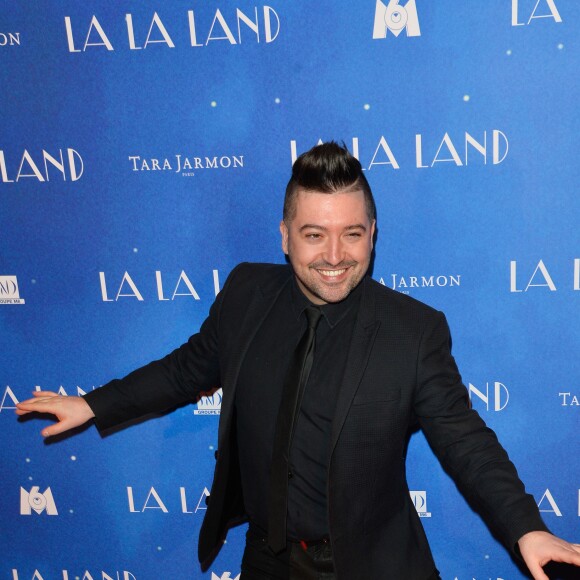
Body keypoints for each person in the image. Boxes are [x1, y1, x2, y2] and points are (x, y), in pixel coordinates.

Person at [17, 143, 580, 580]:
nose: (335, 257)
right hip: (267, 557)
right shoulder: (245, 295)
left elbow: (466, 440)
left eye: (351, 234)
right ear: (285, 237)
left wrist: (524, 528)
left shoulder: (413, 332)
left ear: (373, 234)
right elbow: (186, 370)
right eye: (315, 235)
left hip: (366, 565)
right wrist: (94, 403)